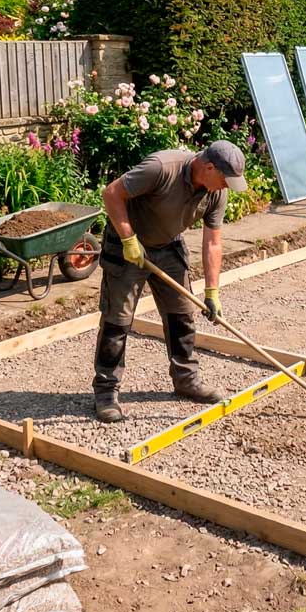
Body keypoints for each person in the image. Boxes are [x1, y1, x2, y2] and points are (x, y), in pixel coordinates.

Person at [92, 140, 248, 423]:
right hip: (129, 244)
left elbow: (213, 242)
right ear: (209, 167)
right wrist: (128, 239)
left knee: (182, 314)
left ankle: (186, 379)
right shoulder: (161, 168)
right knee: (118, 320)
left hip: (168, 245)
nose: (227, 187)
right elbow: (112, 193)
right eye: (225, 180)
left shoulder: (215, 193)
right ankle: (106, 392)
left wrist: (212, 291)